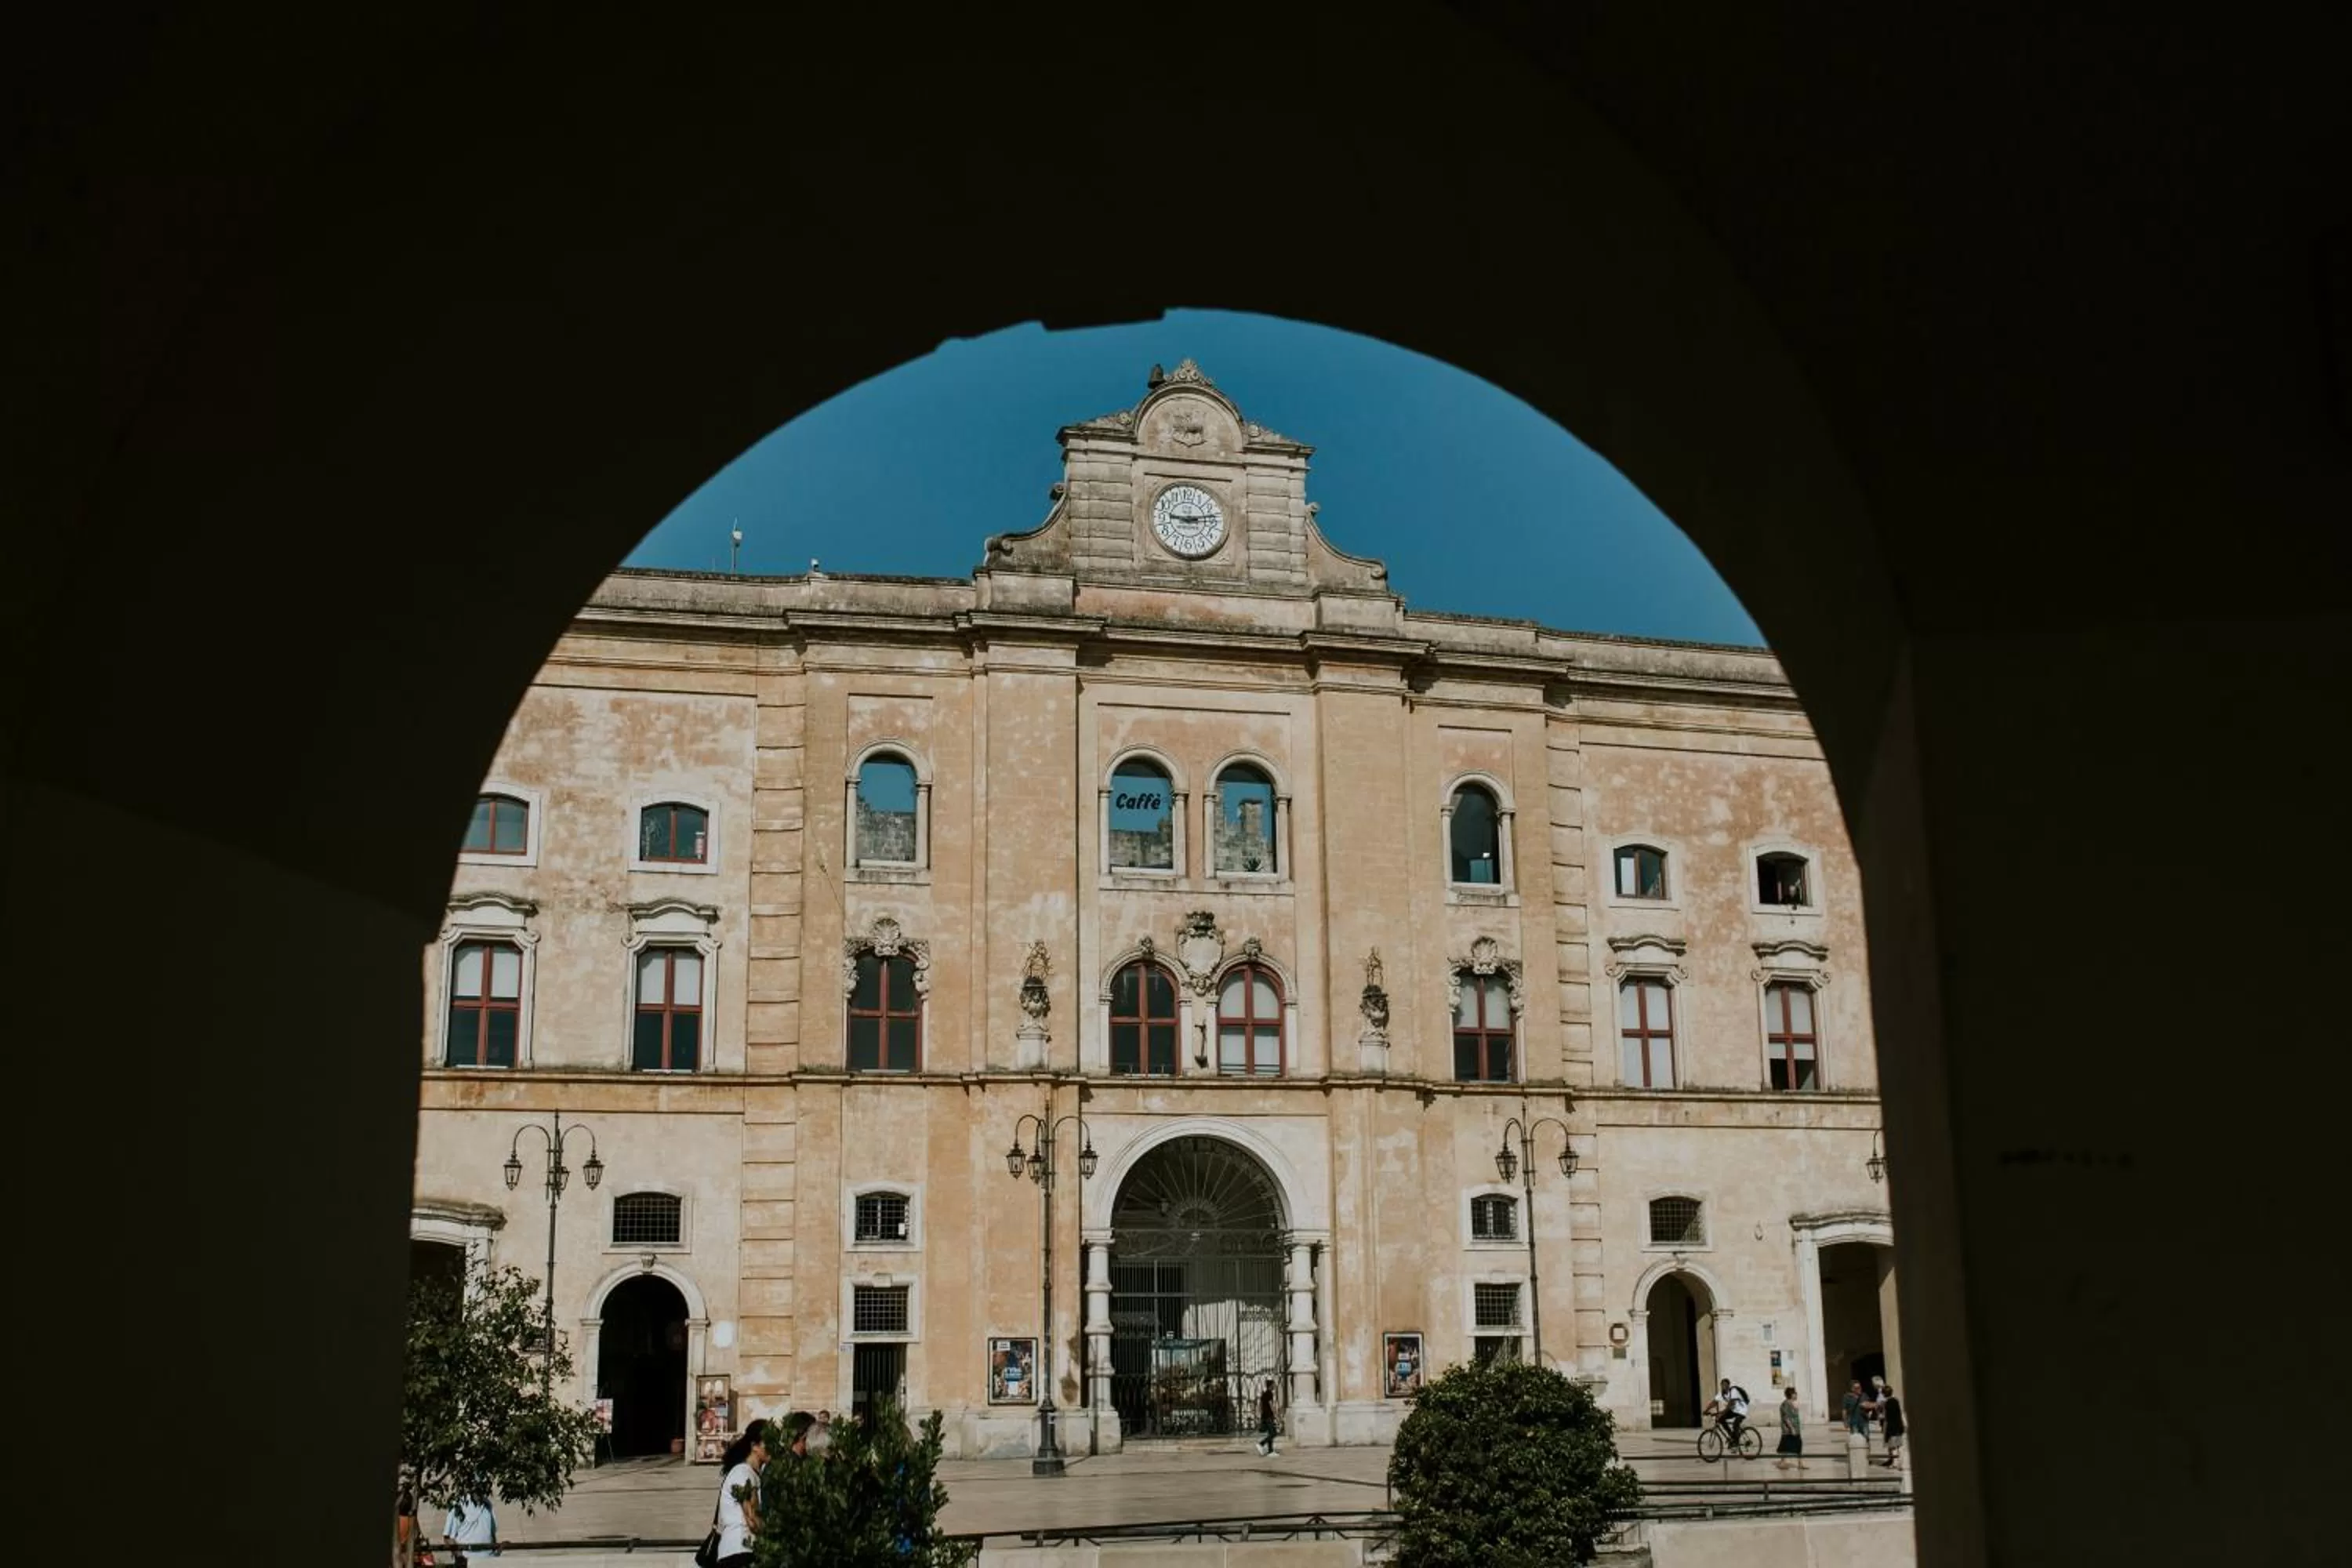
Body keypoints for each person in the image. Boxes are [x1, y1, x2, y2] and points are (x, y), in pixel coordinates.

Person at [713, 1421, 771, 1568]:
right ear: (755, 1446)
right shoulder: (743, 1473)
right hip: (740, 1551)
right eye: (768, 1443)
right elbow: (752, 1519)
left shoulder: (753, 1474)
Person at [443, 1495, 498, 1563]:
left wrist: (494, 1552)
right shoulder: (457, 1508)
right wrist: (460, 1557)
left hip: (488, 1559)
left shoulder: (488, 1505)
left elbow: (492, 1533)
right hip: (467, 1560)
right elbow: (447, 1537)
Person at [1773, 1385, 1806, 1472]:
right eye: (1794, 1393)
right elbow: (1786, 1418)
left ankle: (1800, 1463)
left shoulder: (1792, 1403)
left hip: (1796, 1428)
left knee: (1799, 1445)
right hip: (1788, 1430)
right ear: (1790, 1394)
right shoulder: (1785, 1404)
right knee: (1786, 1447)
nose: (1796, 1394)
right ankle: (1783, 1462)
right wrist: (1792, 1429)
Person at [1877, 1386, 1906, 1466]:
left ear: (1884, 1394)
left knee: (1892, 1446)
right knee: (1899, 1445)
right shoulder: (1896, 1401)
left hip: (1891, 1427)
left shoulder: (1886, 1403)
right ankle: (1901, 1463)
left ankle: (1895, 1463)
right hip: (1898, 1426)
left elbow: (1885, 1416)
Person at [1842, 1380, 1871, 1452]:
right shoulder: (1847, 1397)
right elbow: (1844, 1410)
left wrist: (1868, 1408)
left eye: (1860, 1387)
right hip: (1854, 1422)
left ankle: (1867, 1455)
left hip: (1864, 1420)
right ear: (1852, 1389)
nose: (1859, 1389)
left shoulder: (1864, 1395)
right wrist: (1845, 1421)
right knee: (1856, 1439)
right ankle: (1857, 1454)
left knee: (1866, 1438)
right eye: (1857, 1388)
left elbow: (1869, 1405)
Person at [1254, 1378, 1279, 1457]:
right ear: (1271, 1385)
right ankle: (1261, 1444)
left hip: (1265, 1416)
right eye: (1274, 1385)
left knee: (1270, 1433)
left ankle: (1271, 1451)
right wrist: (1276, 1415)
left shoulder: (1264, 1394)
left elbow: (1260, 1405)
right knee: (1273, 1433)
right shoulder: (1269, 1394)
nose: (1275, 1386)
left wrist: (1259, 1414)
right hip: (1269, 1416)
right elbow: (1271, 1405)